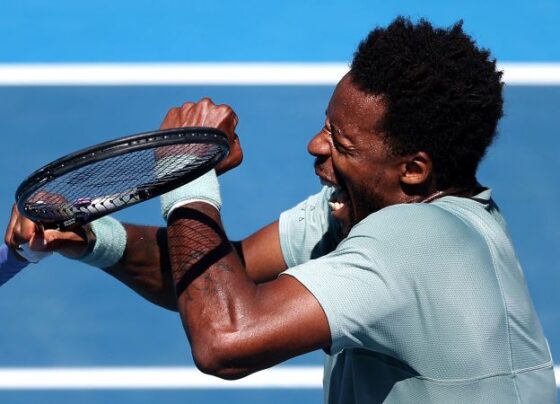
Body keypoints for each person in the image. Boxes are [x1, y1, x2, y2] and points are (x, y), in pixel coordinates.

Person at [4, 17, 556, 403]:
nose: (317, 147)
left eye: (341, 143)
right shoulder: (353, 211)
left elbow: (225, 339)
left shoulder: (416, 243)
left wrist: (185, 175)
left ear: (413, 169)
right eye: (325, 125)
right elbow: (212, 280)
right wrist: (97, 240)